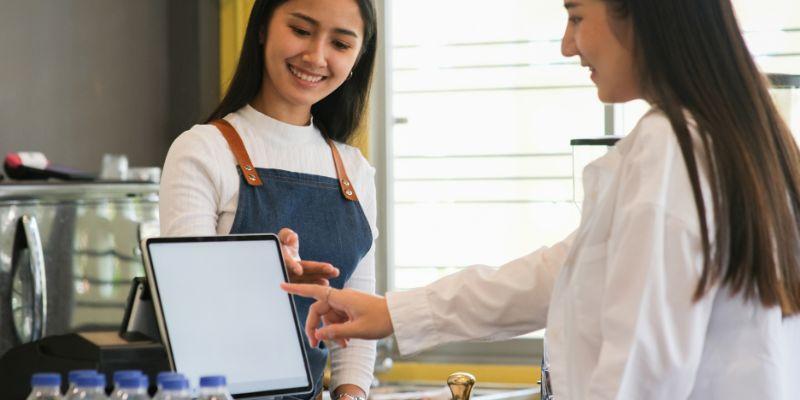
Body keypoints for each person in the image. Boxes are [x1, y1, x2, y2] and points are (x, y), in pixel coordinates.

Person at [282, 0, 800, 399]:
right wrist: (394, 312)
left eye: (576, 16)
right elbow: (559, 274)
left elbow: (641, 373)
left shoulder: (671, 151)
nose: (567, 45)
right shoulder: (743, 141)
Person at [159, 1, 379, 399]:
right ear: (262, 28)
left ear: (358, 58)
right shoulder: (202, 150)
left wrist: (351, 394)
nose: (316, 56)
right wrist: (260, 277)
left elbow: (357, 323)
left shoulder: (355, 171)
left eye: (341, 44)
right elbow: (187, 312)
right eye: (300, 30)